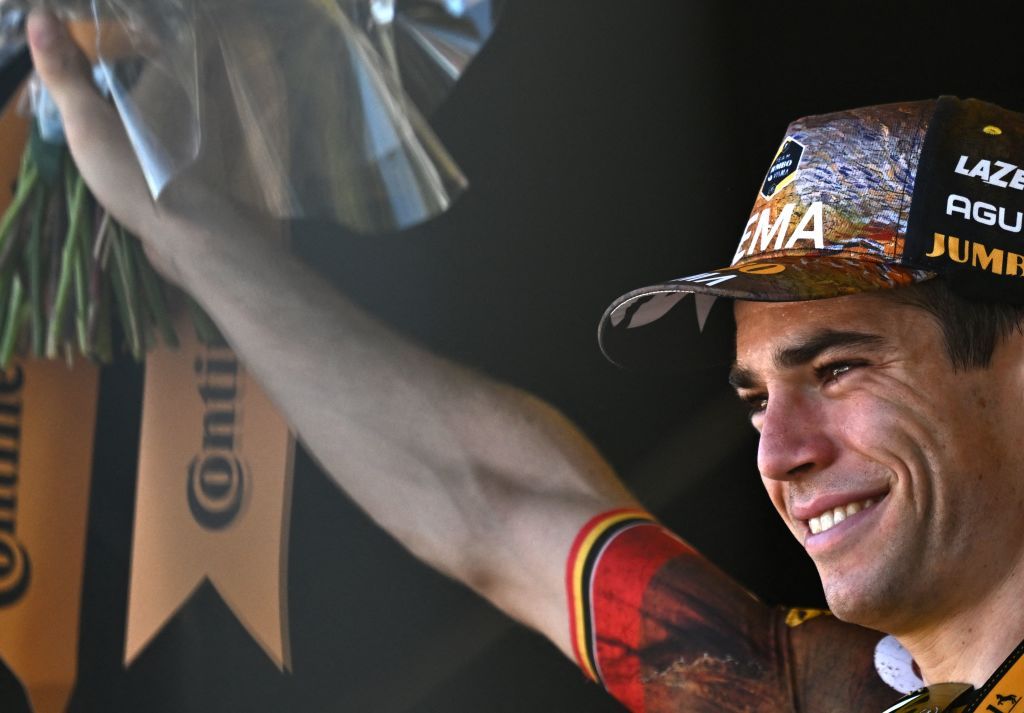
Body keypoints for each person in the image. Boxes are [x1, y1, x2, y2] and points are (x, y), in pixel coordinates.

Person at [23, 10, 1024, 713]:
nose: (780, 450)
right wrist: (177, 225)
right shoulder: (812, 693)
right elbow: (492, 500)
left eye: (841, 368)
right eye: (756, 395)